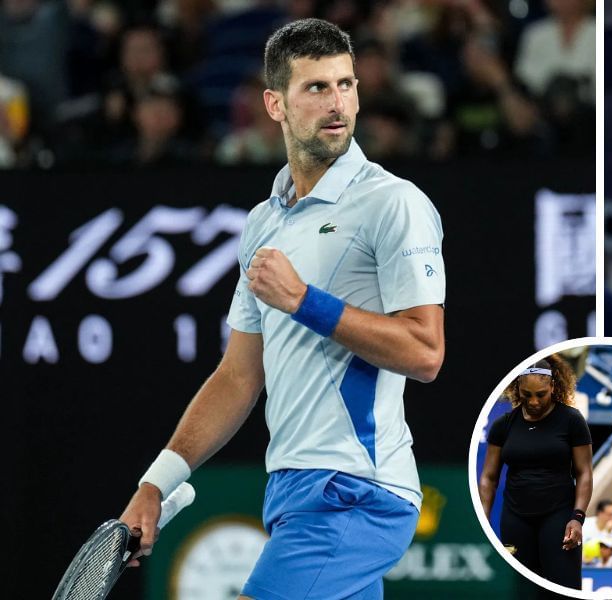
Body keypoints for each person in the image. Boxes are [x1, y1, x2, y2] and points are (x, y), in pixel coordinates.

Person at [118, 18, 447, 600]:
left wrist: (303, 301)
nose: (337, 102)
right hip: (293, 492)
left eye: (345, 85)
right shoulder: (263, 223)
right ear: (274, 104)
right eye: (316, 88)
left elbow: (424, 352)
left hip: (356, 493)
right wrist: (155, 483)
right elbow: (239, 375)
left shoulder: (394, 203)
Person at [478, 355, 594, 590]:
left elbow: (584, 473)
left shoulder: (571, 420)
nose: (533, 401)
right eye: (527, 394)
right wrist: (483, 520)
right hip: (516, 516)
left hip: (559, 516)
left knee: (564, 589)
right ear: (517, 388)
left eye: (540, 394)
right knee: (522, 590)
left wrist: (578, 517)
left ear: (552, 386)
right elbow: (489, 478)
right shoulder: (503, 424)